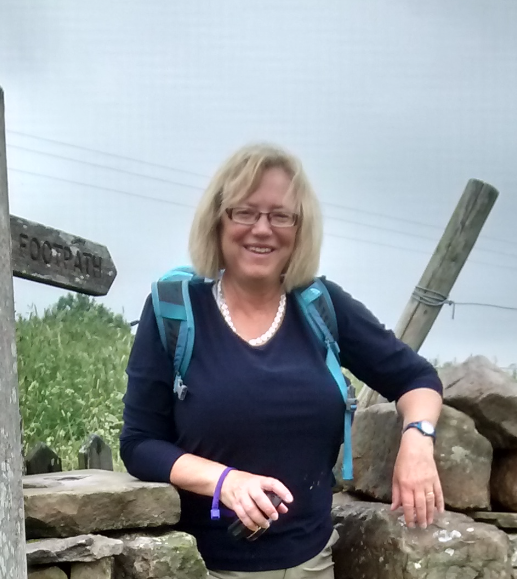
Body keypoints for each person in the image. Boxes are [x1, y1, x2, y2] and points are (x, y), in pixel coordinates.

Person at [120, 143, 444, 579]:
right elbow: (140, 444)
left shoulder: (321, 305)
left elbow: (416, 378)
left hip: (313, 565)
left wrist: (418, 439)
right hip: (204, 569)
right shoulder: (174, 308)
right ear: (218, 219)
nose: (262, 229)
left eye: (280, 215)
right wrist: (224, 482)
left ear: (300, 227)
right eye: (245, 212)